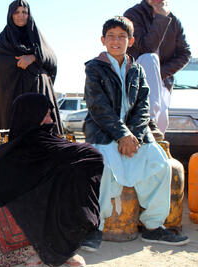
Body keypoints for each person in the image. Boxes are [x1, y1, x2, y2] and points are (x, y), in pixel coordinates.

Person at [0, 93, 104, 266]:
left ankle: (57, 249)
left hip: (51, 222)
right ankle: (40, 251)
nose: (51, 121)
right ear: (30, 115)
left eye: (51, 114)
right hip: (17, 220)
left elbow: (92, 158)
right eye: (46, 115)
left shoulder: (63, 151)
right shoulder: (4, 153)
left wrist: (43, 200)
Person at [81, 16, 189, 252]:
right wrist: (122, 136)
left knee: (160, 165)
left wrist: (135, 138)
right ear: (103, 40)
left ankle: (153, 227)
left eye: (122, 36)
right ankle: (93, 229)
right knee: (103, 169)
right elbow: (99, 108)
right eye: (111, 36)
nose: (116, 41)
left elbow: (143, 108)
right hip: (102, 132)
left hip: (134, 134)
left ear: (131, 40)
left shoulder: (137, 70)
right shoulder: (94, 68)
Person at [0, 0, 63, 135]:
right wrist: (17, 62)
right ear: (10, 15)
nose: (21, 15)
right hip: (13, 95)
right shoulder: (3, 40)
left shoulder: (37, 36)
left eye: (24, 12)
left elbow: (52, 60)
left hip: (39, 92)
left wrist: (33, 58)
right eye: (16, 12)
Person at [124, 0, 191, 138]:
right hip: (137, 77)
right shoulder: (133, 15)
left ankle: (153, 154)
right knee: (150, 58)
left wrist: (159, 73)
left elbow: (185, 53)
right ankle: (147, 120)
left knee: (162, 125)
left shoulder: (173, 20)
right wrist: (161, 18)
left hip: (162, 81)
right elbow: (147, 47)